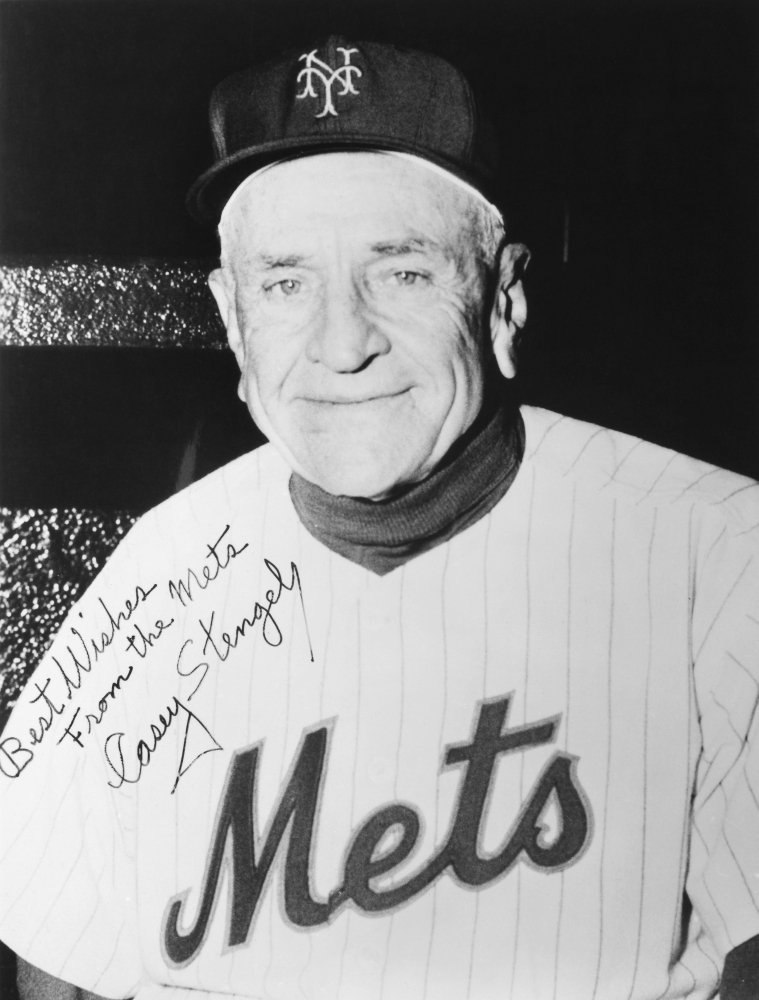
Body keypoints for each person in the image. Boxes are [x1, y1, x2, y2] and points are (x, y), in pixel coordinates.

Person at [1, 35, 759, 1000]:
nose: (342, 342)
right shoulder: (154, 577)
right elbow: (55, 957)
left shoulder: (719, 554)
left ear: (505, 302)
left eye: (400, 272)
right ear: (233, 323)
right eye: (285, 283)